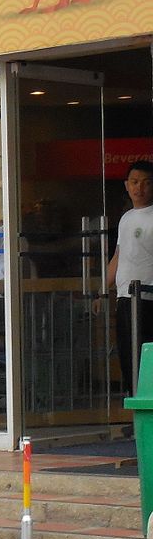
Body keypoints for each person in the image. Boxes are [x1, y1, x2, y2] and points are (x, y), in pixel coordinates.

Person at [105, 160, 153, 395]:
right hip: (125, 297)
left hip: (147, 297)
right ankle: (135, 416)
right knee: (128, 356)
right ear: (126, 185)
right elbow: (118, 256)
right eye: (134, 182)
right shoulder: (126, 218)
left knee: (145, 357)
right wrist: (102, 289)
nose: (139, 188)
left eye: (145, 183)